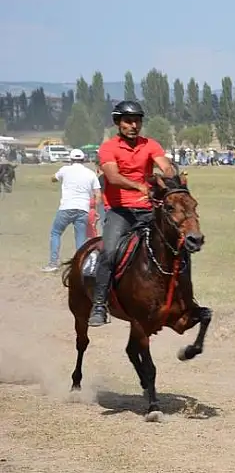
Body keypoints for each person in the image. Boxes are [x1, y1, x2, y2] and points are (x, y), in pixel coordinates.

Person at [88, 100, 176, 327]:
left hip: (148, 209)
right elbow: (113, 176)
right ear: (118, 123)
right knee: (109, 252)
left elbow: (165, 165)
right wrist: (139, 186)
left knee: (178, 244)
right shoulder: (109, 148)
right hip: (120, 211)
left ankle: (180, 295)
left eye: (137, 120)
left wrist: (167, 173)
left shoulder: (150, 144)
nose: (134, 125)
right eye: (128, 121)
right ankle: (99, 304)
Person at [42, 149, 101, 272]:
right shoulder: (90, 173)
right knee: (80, 238)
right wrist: (94, 210)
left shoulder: (65, 170)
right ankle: (80, 264)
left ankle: (53, 263)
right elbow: (98, 194)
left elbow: (54, 178)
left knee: (56, 233)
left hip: (66, 207)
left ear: (71, 159)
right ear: (83, 159)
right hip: (83, 209)